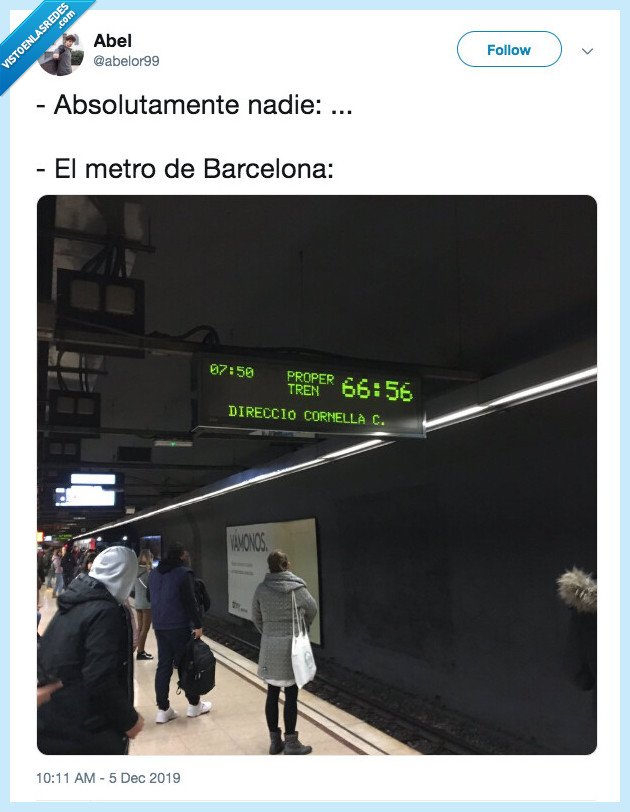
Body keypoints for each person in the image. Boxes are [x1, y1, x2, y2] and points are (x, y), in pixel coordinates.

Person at [37, 546, 144, 754]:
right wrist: (129, 720)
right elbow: (100, 677)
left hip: (59, 719)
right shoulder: (105, 611)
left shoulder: (74, 601)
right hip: (88, 728)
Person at [251, 549, 318, 755]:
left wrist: (268, 633)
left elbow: (256, 617)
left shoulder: (261, 589)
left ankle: (274, 742)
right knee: (291, 695)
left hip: (270, 648)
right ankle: (291, 743)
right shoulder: (297, 588)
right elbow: (312, 609)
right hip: (291, 649)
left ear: (269, 567)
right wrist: (302, 628)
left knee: (272, 694)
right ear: (287, 564)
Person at [148, 544, 211, 723]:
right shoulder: (184, 573)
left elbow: (148, 596)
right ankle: (194, 705)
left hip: (160, 625)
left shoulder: (154, 573)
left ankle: (163, 709)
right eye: (186, 553)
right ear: (181, 556)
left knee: (164, 665)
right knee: (186, 664)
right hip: (179, 625)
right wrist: (198, 624)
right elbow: (190, 601)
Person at [134, 549, 154, 660]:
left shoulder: (135, 570)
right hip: (147, 604)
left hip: (137, 602)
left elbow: (132, 588)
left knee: (140, 628)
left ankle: (139, 650)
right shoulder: (149, 572)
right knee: (145, 629)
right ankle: (140, 652)